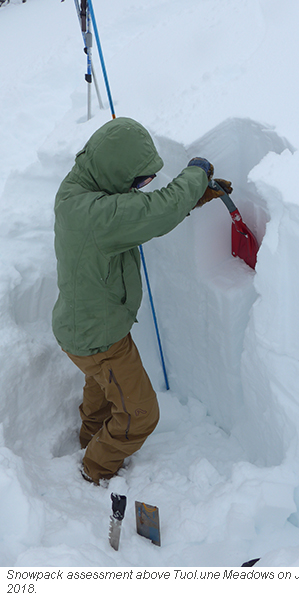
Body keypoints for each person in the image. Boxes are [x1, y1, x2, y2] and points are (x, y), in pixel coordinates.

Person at [52, 117, 232, 485]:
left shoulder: (79, 189)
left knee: (103, 392)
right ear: (116, 170)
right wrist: (196, 175)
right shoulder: (96, 215)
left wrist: (192, 200)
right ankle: (94, 469)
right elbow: (152, 212)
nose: (141, 188)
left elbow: (137, 213)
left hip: (83, 329)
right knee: (140, 414)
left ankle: (89, 438)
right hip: (101, 339)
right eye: (139, 181)